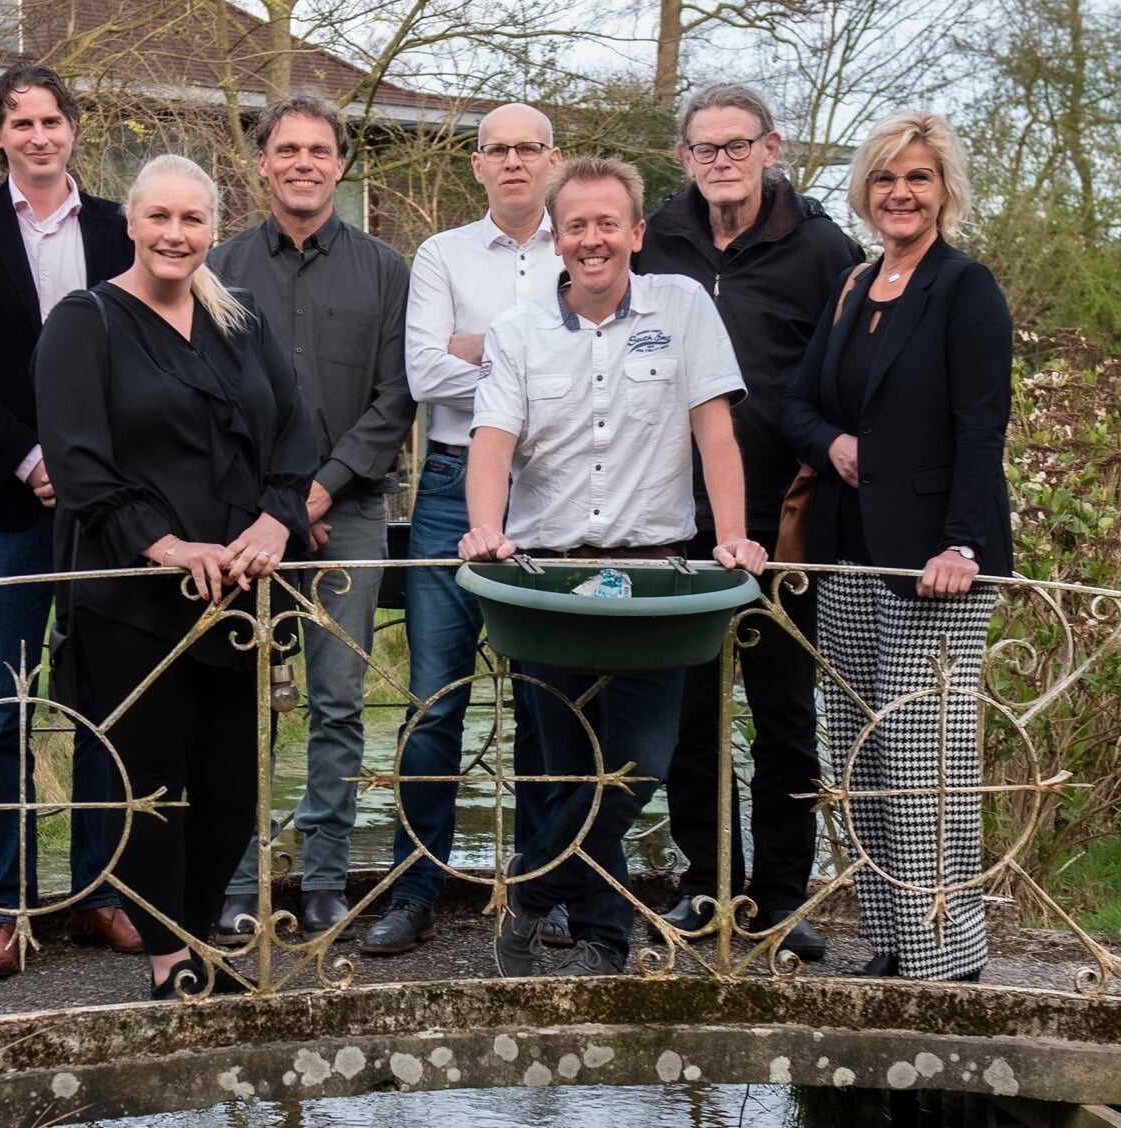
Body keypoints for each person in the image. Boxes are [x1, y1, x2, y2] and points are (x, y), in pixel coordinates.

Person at [461, 157, 767, 977]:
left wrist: (731, 537)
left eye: (608, 225)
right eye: (576, 226)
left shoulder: (685, 306)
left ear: (636, 233)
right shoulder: (517, 330)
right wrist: (484, 529)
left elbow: (714, 433)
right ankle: (603, 939)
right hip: (548, 583)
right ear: (555, 238)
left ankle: (527, 896)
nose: (591, 240)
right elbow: (491, 443)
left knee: (639, 764)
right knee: (565, 766)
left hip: (656, 582)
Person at [35, 154, 318, 997]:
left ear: (212, 227)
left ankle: (196, 937)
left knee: (233, 785)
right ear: (129, 223)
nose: (175, 234)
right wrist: (168, 548)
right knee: (148, 786)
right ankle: (169, 961)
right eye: (159, 216)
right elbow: (80, 466)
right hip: (137, 600)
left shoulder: (242, 318)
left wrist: (275, 523)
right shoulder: (84, 322)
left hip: (242, 599)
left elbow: (296, 436)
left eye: (192, 219)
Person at [781, 110, 1012, 982]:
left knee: (927, 764)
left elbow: (981, 425)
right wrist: (832, 445)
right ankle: (894, 939)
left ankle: (948, 956)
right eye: (885, 177)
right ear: (864, 191)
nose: (900, 192)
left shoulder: (965, 288)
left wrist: (962, 542)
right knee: (859, 752)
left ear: (944, 189)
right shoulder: (852, 288)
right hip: (849, 553)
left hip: (934, 565)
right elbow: (799, 405)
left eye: (917, 177)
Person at [0, 62, 139, 980]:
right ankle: (2, 909)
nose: (41, 136)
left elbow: (147, 358)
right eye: (23, 123)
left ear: (74, 129)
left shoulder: (122, 227)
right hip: (5, 505)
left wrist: (92, 469)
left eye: (54, 120)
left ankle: (99, 891)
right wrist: (30, 455)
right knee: (4, 708)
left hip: (105, 514)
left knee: (99, 703)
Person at [634, 84, 863, 958]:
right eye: (704, 149)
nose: (721, 162)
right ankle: (706, 883)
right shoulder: (655, 242)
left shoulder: (823, 251)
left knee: (783, 718)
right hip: (671, 519)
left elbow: (846, 383)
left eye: (737, 146)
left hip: (785, 519)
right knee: (687, 717)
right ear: (683, 156)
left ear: (772, 147)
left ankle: (778, 898)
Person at [361, 102, 568, 955]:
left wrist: (484, 346)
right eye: (498, 150)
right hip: (451, 488)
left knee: (550, 698)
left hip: (554, 489)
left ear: (553, 161)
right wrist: (542, 354)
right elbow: (425, 371)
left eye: (529, 148)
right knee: (435, 698)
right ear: (476, 165)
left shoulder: (588, 243)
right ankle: (418, 891)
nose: (514, 162)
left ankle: (549, 888)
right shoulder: (441, 254)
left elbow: (601, 362)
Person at [206, 96, 414, 941]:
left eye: (318, 149)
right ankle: (240, 877)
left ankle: (325, 874)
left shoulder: (384, 270)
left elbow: (395, 398)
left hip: (351, 514)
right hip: (246, 521)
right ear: (262, 162)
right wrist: (277, 506)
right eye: (286, 148)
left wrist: (315, 495)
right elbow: (209, 401)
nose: (302, 161)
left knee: (336, 699)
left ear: (340, 164)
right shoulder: (218, 265)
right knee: (242, 704)